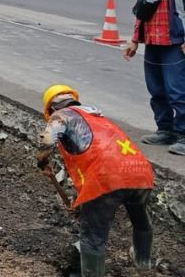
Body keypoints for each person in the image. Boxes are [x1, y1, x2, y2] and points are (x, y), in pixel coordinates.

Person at [38, 85, 156, 276]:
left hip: (107, 176)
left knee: (92, 237)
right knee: (141, 220)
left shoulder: (61, 115)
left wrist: (42, 161)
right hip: (141, 171)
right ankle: (143, 266)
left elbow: (48, 141)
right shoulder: (96, 117)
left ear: (51, 108)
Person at [123, 0, 185, 154]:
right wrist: (135, 40)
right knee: (157, 90)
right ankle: (165, 130)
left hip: (175, 42)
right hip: (153, 41)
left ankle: (183, 134)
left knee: (178, 90)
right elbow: (143, 10)